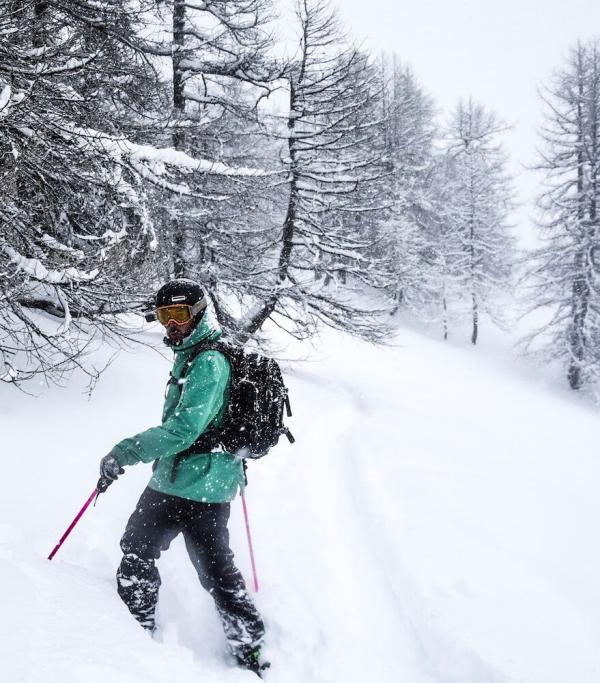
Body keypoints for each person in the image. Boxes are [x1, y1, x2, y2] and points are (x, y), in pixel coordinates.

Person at [98, 279, 268, 677]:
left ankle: (248, 648)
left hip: (197, 486)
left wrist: (123, 452)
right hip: (184, 481)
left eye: (178, 315)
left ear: (198, 313)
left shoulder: (208, 362)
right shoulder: (191, 354)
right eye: (164, 315)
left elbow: (183, 430)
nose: (171, 324)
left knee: (203, 567)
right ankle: (135, 634)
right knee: (145, 551)